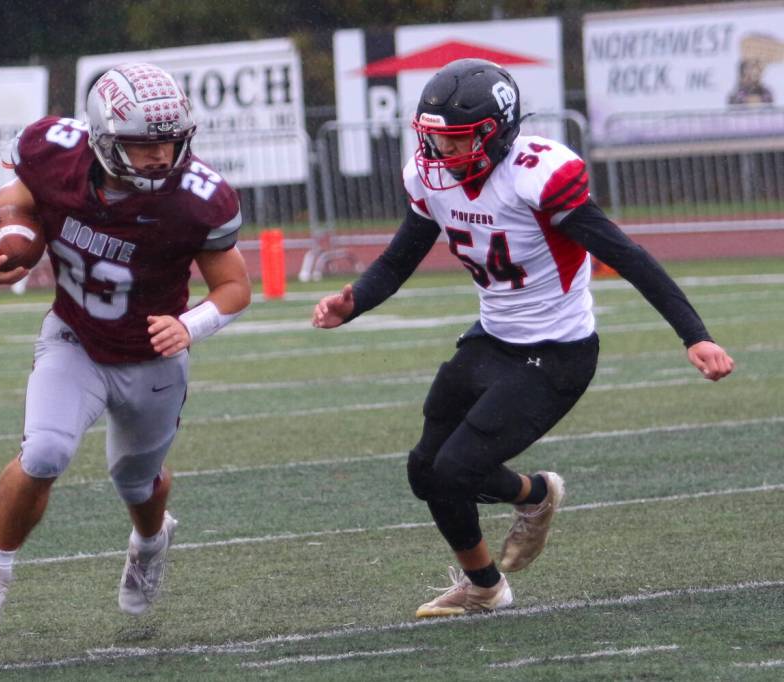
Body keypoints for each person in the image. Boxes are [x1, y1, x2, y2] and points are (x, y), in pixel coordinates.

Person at [312, 59, 734, 619]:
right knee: (425, 471)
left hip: (557, 352)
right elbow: (398, 259)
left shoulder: (536, 175)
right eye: (434, 140)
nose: (441, 155)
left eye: (457, 142)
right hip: (493, 337)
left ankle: (509, 547)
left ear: (497, 132)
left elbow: (627, 257)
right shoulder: (429, 176)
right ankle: (495, 567)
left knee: (456, 469)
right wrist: (355, 301)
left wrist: (694, 336)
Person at [0, 63, 251, 638]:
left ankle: (149, 541)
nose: (160, 156)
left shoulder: (198, 199)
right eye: (142, 144)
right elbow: (8, 204)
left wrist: (192, 326)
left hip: (151, 357)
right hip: (75, 339)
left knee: (136, 482)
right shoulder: (52, 152)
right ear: (103, 136)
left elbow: (235, 288)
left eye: (168, 141)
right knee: (43, 453)